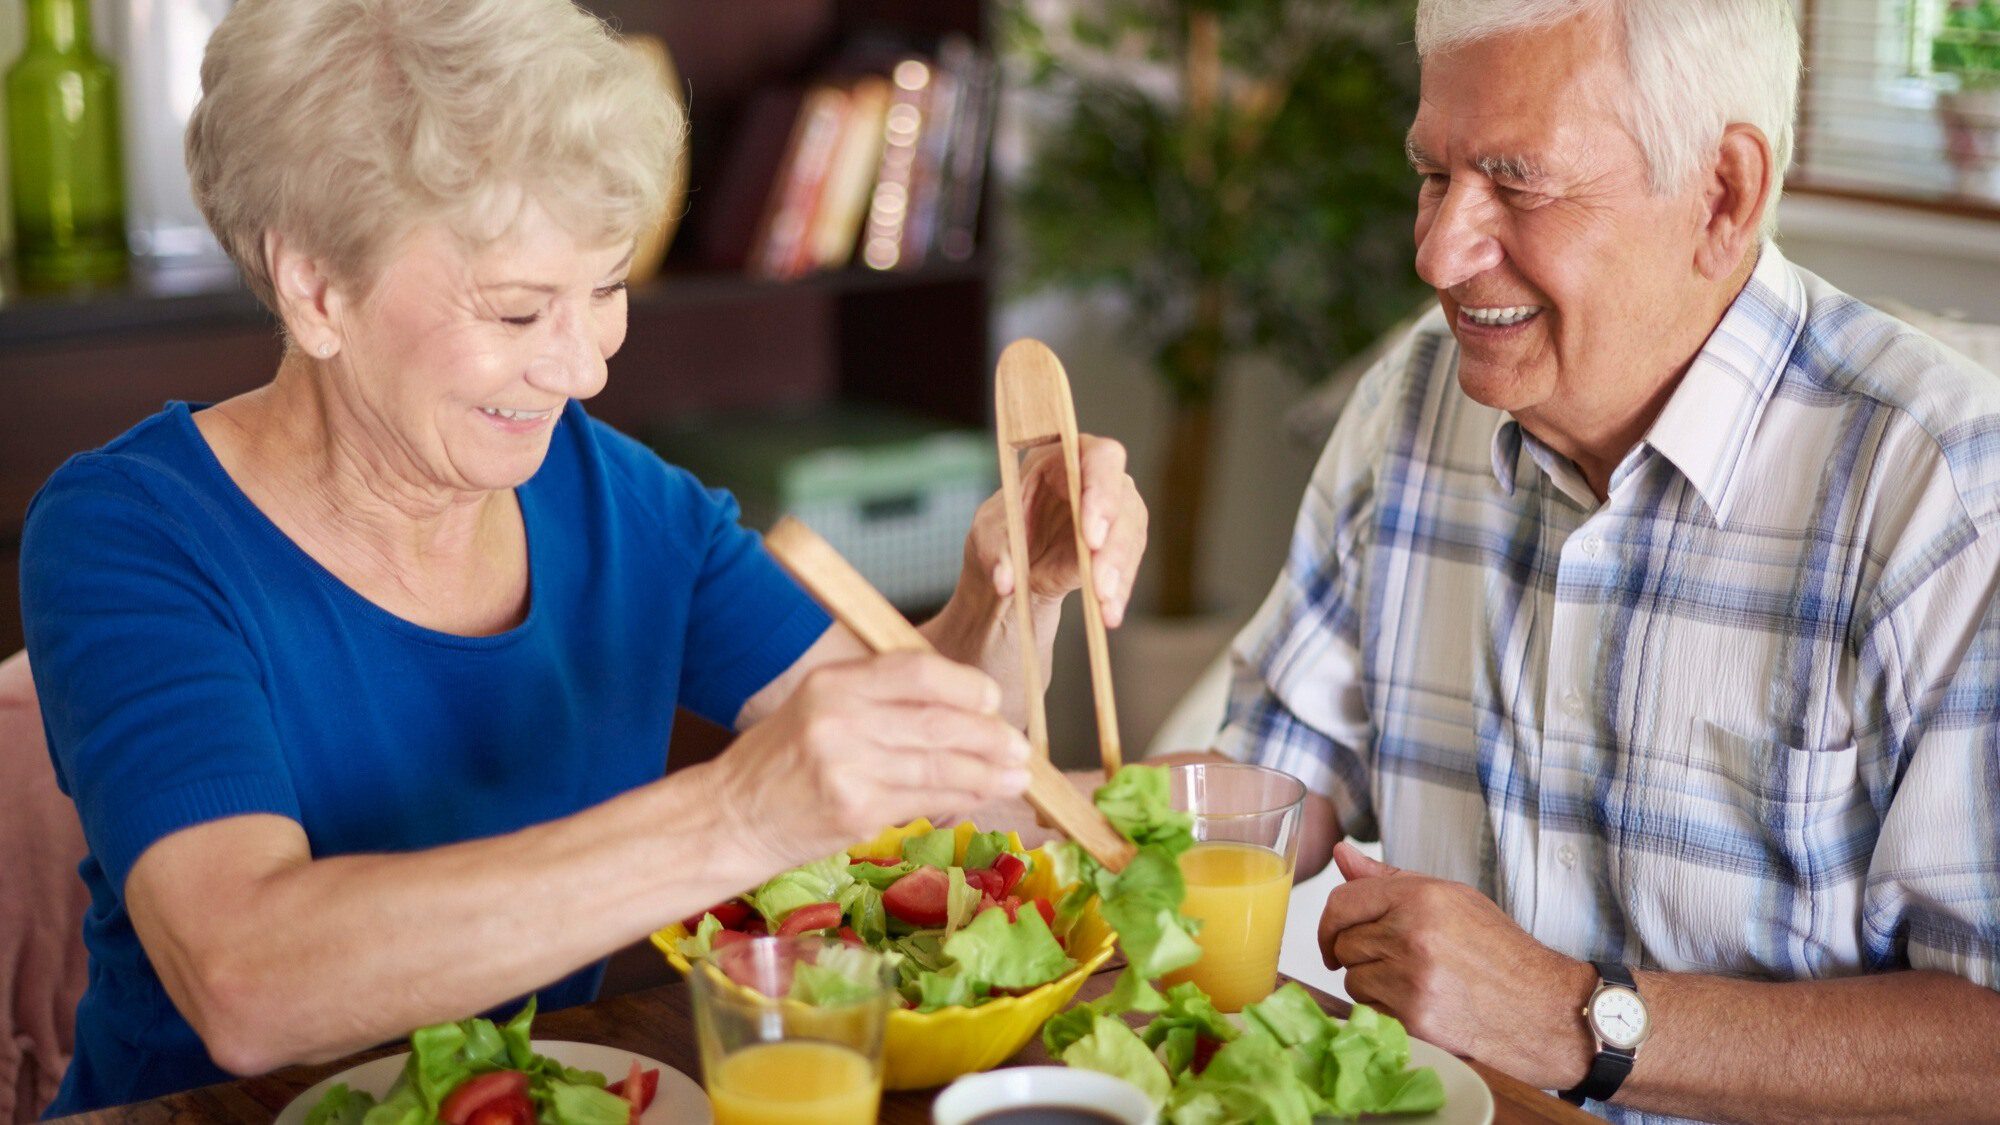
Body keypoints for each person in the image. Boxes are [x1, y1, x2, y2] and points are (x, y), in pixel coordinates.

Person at [18, 0, 1148, 1114]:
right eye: (516, 312)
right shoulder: (134, 533)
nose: (583, 368)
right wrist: (739, 818)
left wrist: (1012, 591)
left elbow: (923, 793)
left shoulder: (621, 502)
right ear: (317, 288)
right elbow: (245, 982)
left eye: (604, 290)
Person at [1188, 1, 2000, 1121]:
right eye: (1433, 174)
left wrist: (1572, 1014)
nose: (1437, 251)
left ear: (1721, 195)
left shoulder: (1946, 495)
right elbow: (1277, 781)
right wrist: (990, 759)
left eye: (1516, 184)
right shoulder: (1412, 400)